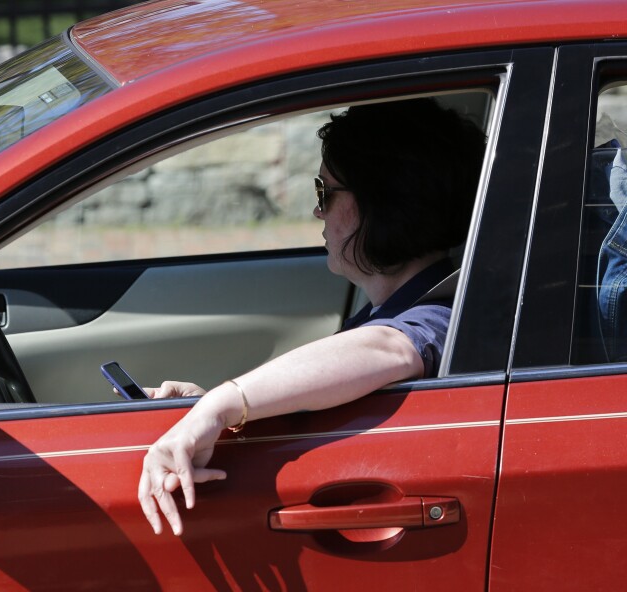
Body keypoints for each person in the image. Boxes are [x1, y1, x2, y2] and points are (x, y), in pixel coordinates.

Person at [137, 97, 487, 536]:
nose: (317, 210)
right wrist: (210, 410)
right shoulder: (394, 306)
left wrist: (219, 406)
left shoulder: (437, 313)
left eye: (325, 192)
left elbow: (390, 348)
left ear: (382, 203)